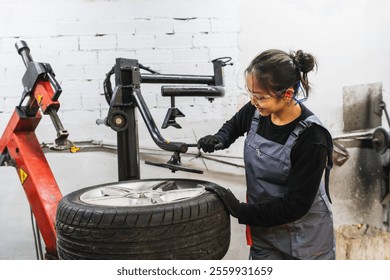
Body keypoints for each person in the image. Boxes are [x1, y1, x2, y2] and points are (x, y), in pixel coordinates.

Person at [197, 49, 335, 260]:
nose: (253, 101)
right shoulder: (257, 111)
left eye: (260, 96)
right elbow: (234, 125)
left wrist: (241, 211)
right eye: (251, 94)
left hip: (305, 239)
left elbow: (297, 204)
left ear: (287, 94)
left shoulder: (312, 138)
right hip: (265, 230)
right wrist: (220, 139)